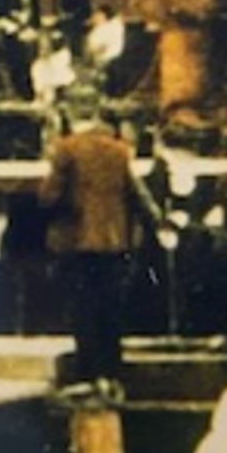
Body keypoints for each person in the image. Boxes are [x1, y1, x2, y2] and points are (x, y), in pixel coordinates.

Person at [38, 107, 169, 398]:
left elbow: (49, 196)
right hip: (114, 242)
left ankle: (88, 374)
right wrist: (157, 222)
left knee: (83, 310)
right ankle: (111, 374)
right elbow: (138, 195)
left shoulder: (66, 149)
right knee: (110, 310)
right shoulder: (119, 151)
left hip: (78, 243)